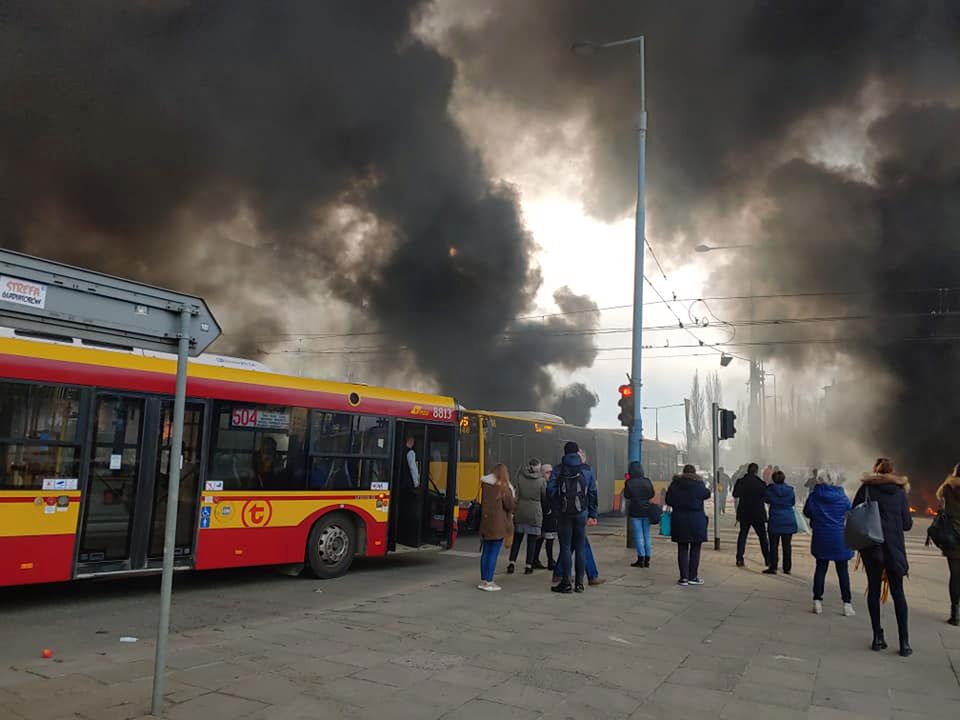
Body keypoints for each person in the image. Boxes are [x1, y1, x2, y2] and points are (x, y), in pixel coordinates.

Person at [854, 458, 912, 656]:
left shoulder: (867, 488)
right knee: (898, 593)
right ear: (892, 472)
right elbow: (907, 524)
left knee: (873, 590)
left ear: (876, 471)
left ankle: (877, 638)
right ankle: (904, 643)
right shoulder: (900, 492)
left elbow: (855, 512)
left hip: (872, 547)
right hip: (894, 549)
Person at [547, 441, 598, 594]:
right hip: (581, 512)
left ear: (565, 452)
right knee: (581, 547)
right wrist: (592, 513)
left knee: (566, 547)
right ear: (577, 453)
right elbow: (593, 492)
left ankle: (566, 582)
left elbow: (550, 491)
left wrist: (557, 506)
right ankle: (580, 584)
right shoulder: (586, 470)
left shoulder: (558, 469)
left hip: (564, 514)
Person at [804, 470, 855, 617]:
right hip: (839, 537)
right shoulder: (841, 496)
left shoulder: (814, 496)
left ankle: (817, 602)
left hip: (821, 536)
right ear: (834, 480)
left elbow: (807, 512)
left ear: (819, 480)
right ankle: (847, 604)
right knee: (842, 571)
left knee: (821, 568)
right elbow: (850, 510)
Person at [665, 464, 710, 586]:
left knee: (682, 547)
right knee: (695, 548)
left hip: (680, 519)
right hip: (696, 519)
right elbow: (707, 494)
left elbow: (668, 500)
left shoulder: (675, 484)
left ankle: (683, 578)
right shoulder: (699, 484)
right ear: (694, 473)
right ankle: (693, 576)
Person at [478, 463, 515, 591]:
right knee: (493, 553)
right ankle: (489, 581)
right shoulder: (504, 488)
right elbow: (510, 505)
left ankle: (483, 579)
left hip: (486, 522)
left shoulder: (485, 485)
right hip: (498, 525)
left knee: (486, 552)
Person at [508, 458, 545, 575]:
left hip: (521, 509)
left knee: (517, 539)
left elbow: (516, 494)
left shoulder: (520, 477)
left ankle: (512, 563)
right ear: (538, 467)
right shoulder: (542, 481)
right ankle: (528, 566)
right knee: (532, 540)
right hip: (535, 511)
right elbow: (544, 496)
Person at [935, 466, 960, 626]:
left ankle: (955, 613)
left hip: (952, 537)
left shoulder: (947, 488)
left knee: (955, 575)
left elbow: (940, 501)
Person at [733, 462, 770, 568]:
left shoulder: (741, 482)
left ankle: (739, 558)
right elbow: (766, 498)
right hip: (758, 513)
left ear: (747, 470)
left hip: (744, 513)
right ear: (757, 471)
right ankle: (767, 560)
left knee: (743, 536)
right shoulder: (761, 483)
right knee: (763, 537)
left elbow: (735, 494)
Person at [764, 469, 797, 575]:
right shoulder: (790, 490)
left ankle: (773, 567)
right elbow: (792, 503)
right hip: (788, 519)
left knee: (773, 545)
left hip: (775, 519)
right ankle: (787, 568)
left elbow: (766, 500)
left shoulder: (770, 490)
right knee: (787, 545)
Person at [623, 461, 655, 567]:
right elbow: (651, 494)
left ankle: (640, 559)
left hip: (635, 511)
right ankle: (647, 560)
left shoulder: (629, 482)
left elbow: (627, 496)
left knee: (638, 535)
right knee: (647, 535)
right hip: (647, 511)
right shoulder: (647, 481)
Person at [533, 463, 557, 570]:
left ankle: (540, 559)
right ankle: (547, 561)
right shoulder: (542, 485)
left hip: (548, 516)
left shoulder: (551, 484)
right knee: (544, 538)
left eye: (551, 472)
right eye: (547, 472)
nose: (550, 475)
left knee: (546, 538)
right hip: (545, 515)